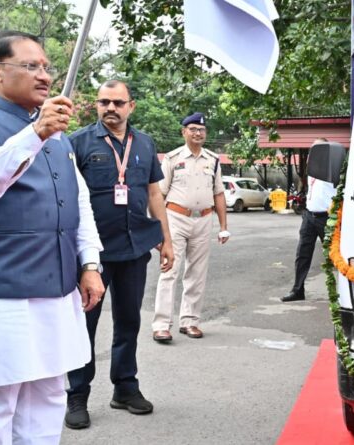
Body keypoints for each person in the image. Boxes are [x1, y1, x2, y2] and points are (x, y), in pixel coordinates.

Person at [0, 30, 104, 443]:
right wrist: (35, 134)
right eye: (31, 66)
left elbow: (78, 203)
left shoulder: (58, 135)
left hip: (57, 296)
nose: (44, 76)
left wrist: (90, 264)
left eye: (46, 67)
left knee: (47, 405)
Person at [65, 79, 174, 429]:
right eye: (104, 102)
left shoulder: (145, 143)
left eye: (118, 102)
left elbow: (154, 194)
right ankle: (77, 395)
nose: (110, 108)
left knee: (129, 321)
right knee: (85, 325)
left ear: (131, 106)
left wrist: (166, 239)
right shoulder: (77, 142)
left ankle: (125, 387)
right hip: (91, 255)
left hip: (134, 249)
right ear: (97, 105)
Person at [151, 112, 229, 342]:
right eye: (193, 129)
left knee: (197, 273)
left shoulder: (213, 160)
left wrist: (223, 226)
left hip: (203, 220)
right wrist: (157, 230)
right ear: (183, 132)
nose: (198, 133)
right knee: (169, 270)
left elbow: (219, 193)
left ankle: (190, 321)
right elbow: (159, 194)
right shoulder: (172, 158)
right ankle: (161, 324)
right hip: (175, 218)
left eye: (201, 130)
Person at [282, 139, 336, 302]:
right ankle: (298, 290)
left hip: (326, 219)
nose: (313, 152)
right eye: (312, 149)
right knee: (302, 254)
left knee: (335, 256)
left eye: (317, 148)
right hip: (309, 216)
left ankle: (344, 294)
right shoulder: (312, 170)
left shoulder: (332, 168)